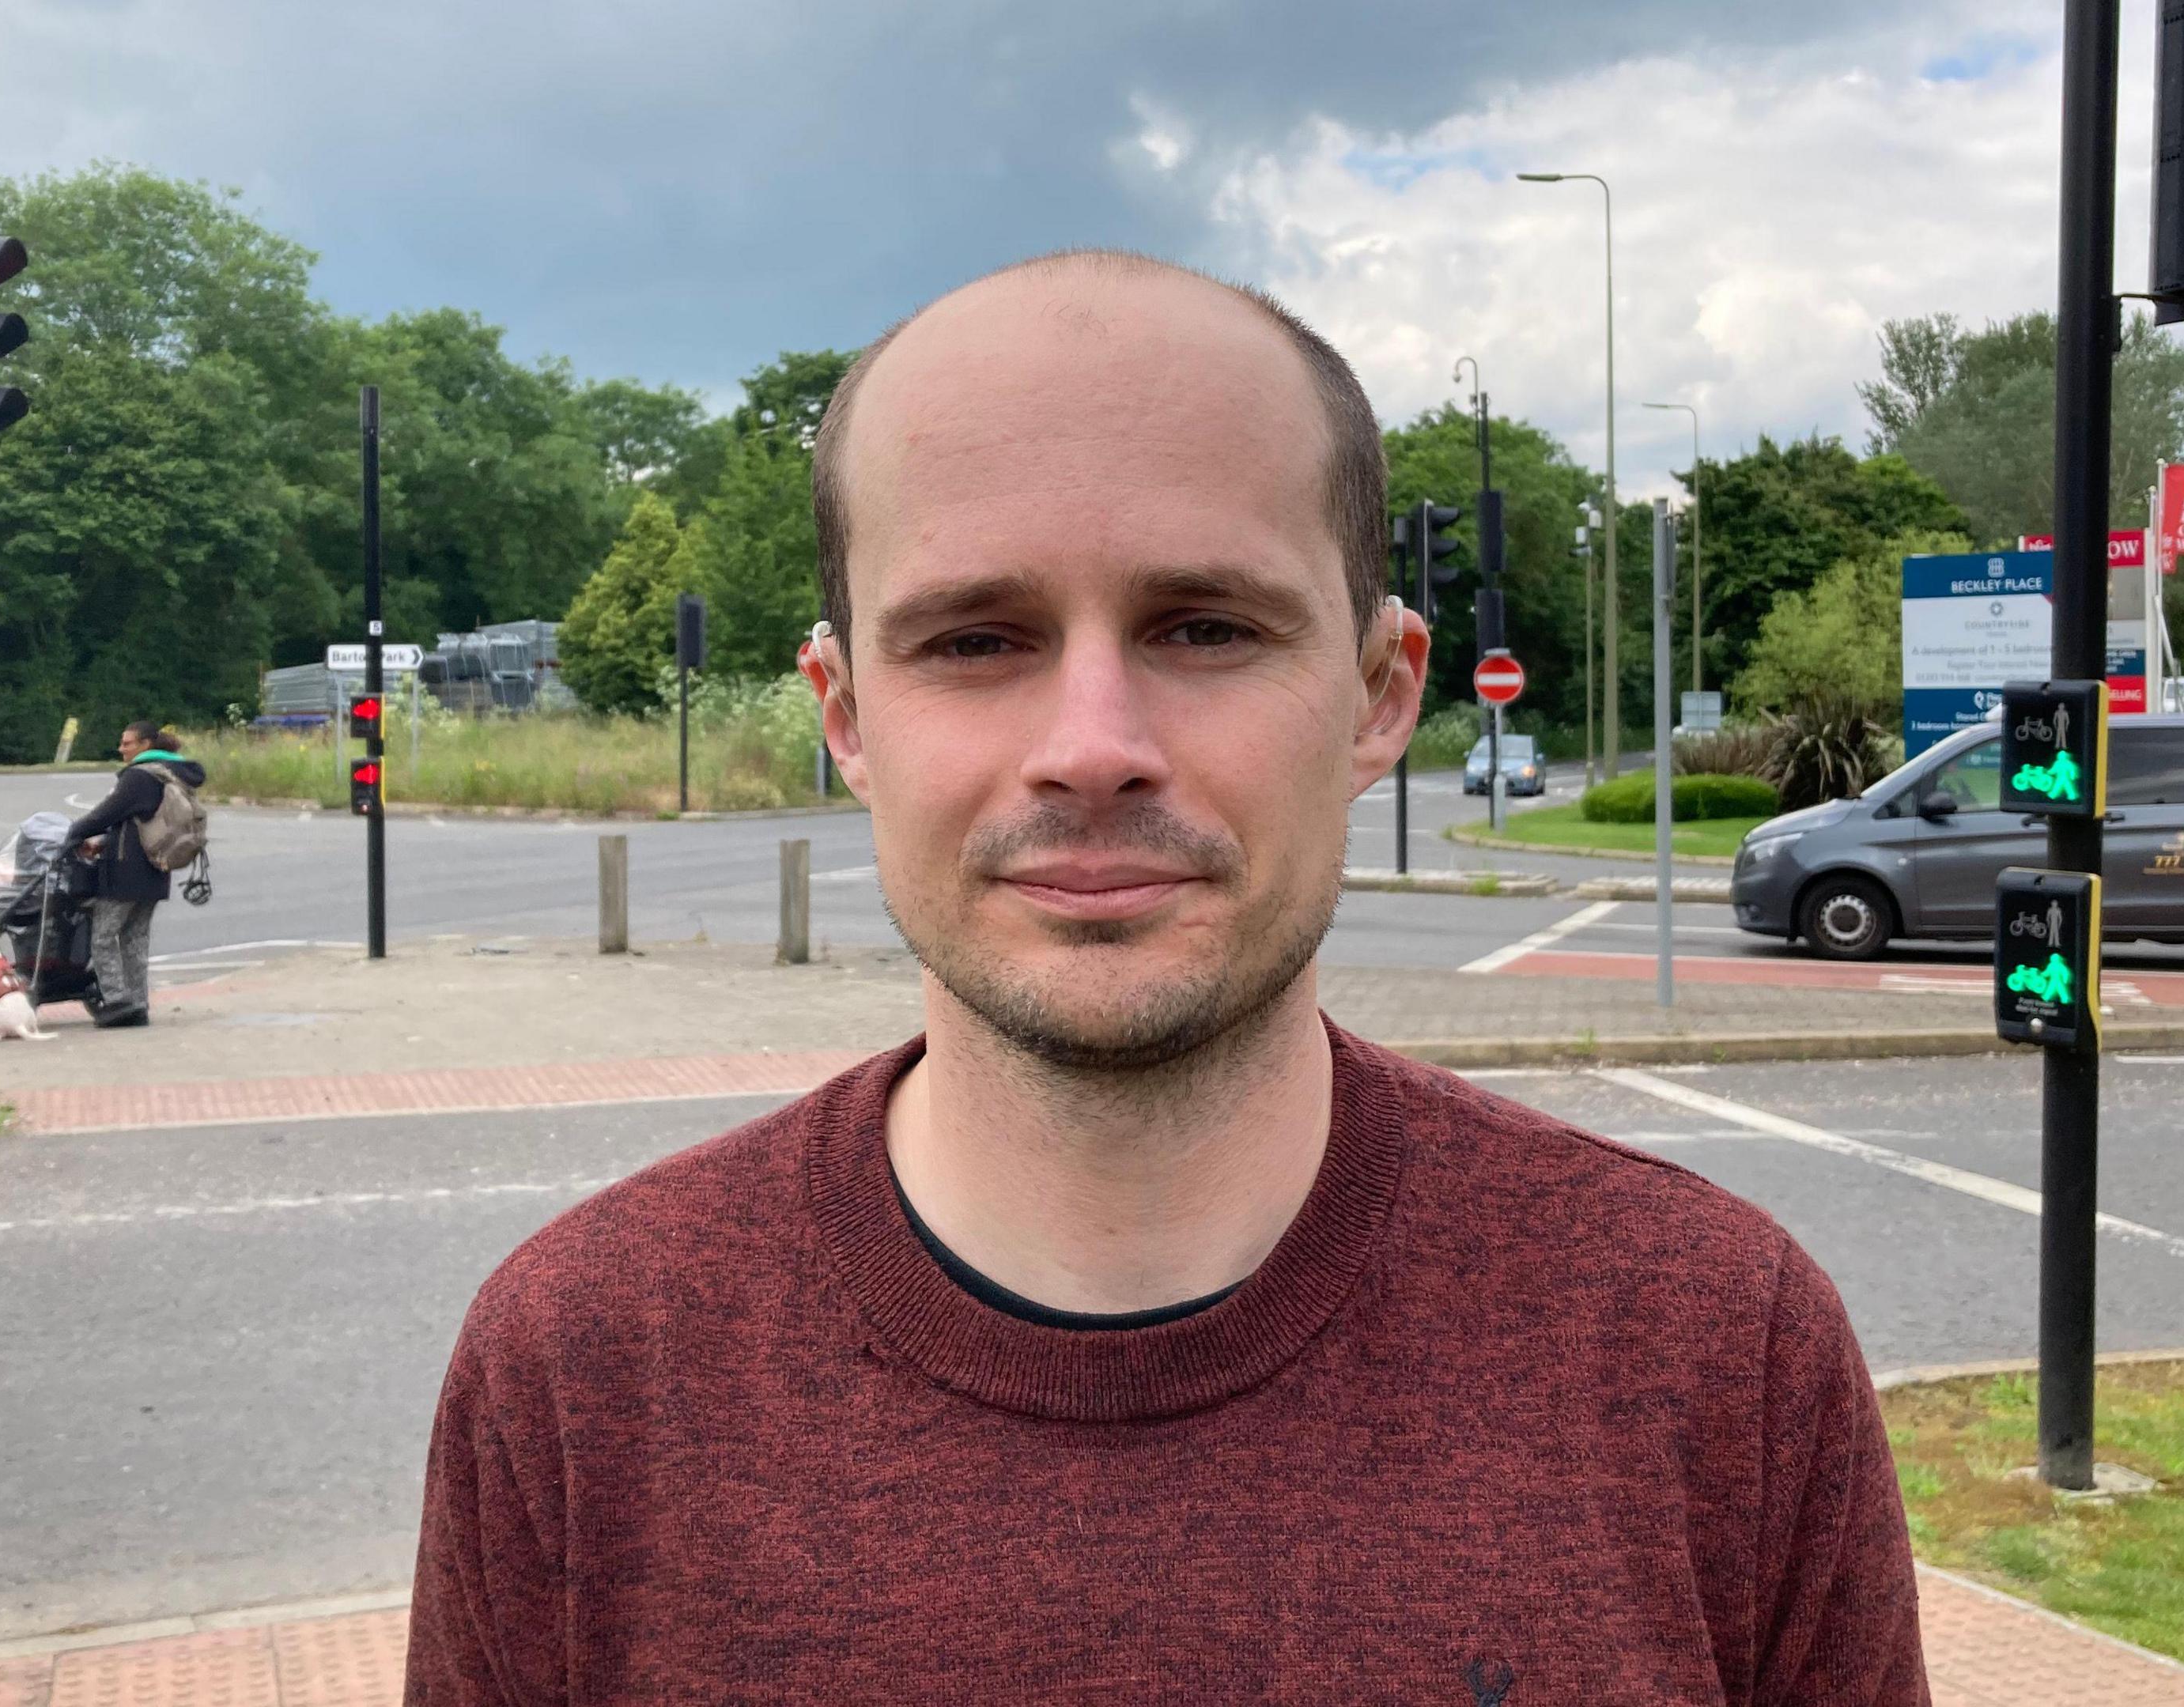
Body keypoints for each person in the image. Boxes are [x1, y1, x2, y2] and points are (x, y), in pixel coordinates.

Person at [406, 253, 1925, 1702]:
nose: (1091, 741)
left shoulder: (1713, 1343)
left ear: (1380, 692)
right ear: (847, 713)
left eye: (1206, 625)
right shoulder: (582, 1367)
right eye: (975, 636)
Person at [62, 720, 206, 1029]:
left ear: (145, 745)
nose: (122, 748)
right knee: (135, 938)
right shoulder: (173, 774)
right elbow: (136, 823)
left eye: (127, 743)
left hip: (125, 871)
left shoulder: (139, 777)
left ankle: (117, 1001)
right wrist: (102, 843)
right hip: (156, 868)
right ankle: (139, 1004)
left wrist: (74, 833)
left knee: (102, 937)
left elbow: (107, 813)